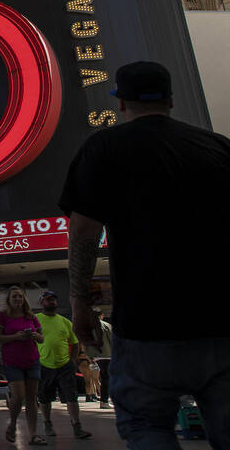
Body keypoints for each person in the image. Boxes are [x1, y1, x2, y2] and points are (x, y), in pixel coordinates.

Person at [62, 60, 230, 449]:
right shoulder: (218, 146)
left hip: (147, 323)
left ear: (121, 102)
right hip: (222, 321)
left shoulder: (104, 147)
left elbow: (84, 230)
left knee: (146, 428)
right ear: (170, 98)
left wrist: (79, 299)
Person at [35, 291, 92, 440]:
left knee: (71, 396)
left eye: (54, 299)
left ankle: (77, 426)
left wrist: (72, 361)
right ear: (41, 303)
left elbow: (74, 342)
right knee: (45, 397)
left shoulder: (65, 322)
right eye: (48, 300)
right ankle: (47, 423)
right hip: (44, 365)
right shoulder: (36, 320)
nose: (52, 302)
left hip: (64, 365)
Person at [0, 286, 46, 445]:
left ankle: (33, 434)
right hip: (12, 361)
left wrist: (35, 335)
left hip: (32, 360)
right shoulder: (2, 317)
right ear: (9, 300)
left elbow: (42, 338)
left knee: (32, 398)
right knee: (19, 395)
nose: (18, 299)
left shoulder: (31, 316)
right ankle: (12, 423)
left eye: (20, 297)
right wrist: (15, 336)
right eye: (15, 297)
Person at [85, 309, 113, 410]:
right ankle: (105, 400)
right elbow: (112, 339)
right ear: (101, 315)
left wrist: (89, 356)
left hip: (95, 356)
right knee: (107, 378)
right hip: (107, 354)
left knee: (101, 377)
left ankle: (105, 400)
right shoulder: (106, 325)